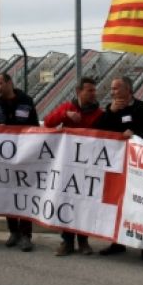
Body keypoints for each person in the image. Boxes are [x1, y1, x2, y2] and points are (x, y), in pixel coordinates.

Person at [95, 76, 143, 261]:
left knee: (142, 204)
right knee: (118, 203)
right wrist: (110, 112)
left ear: (128, 89)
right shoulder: (110, 110)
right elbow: (100, 132)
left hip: (140, 166)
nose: (112, 91)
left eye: (116, 88)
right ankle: (117, 242)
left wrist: (135, 134)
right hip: (118, 165)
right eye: (112, 88)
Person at [43, 76, 103, 256]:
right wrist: (65, 115)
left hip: (89, 165)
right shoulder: (67, 108)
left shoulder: (99, 113)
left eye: (94, 90)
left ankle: (83, 241)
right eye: (89, 90)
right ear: (79, 92)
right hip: (68, 165)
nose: (93, 93)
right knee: (66, 201)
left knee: (84, 202)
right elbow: (47, 121)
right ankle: (67, 241)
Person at [0, 73, 39, 252]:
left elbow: (35, 127)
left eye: (0, 83)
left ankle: (26, 235)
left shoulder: (26, 101)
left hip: (24, 157)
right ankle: (13, 232)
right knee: (8, 194)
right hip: (4, 159)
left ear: (10, 83)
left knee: (24, 195)